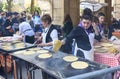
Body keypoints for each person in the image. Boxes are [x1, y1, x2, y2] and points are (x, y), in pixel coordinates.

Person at [37, 14, 58, 79]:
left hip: (51, 53)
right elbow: (44, 34)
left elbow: (55, 42)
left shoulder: (53, 30)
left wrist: (44, 44)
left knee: (49, 71)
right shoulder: (46, 28)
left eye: (42, 22)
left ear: (46, 22)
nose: (41, 24)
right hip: (45, 52)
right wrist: (41, 37)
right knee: (44, 69)